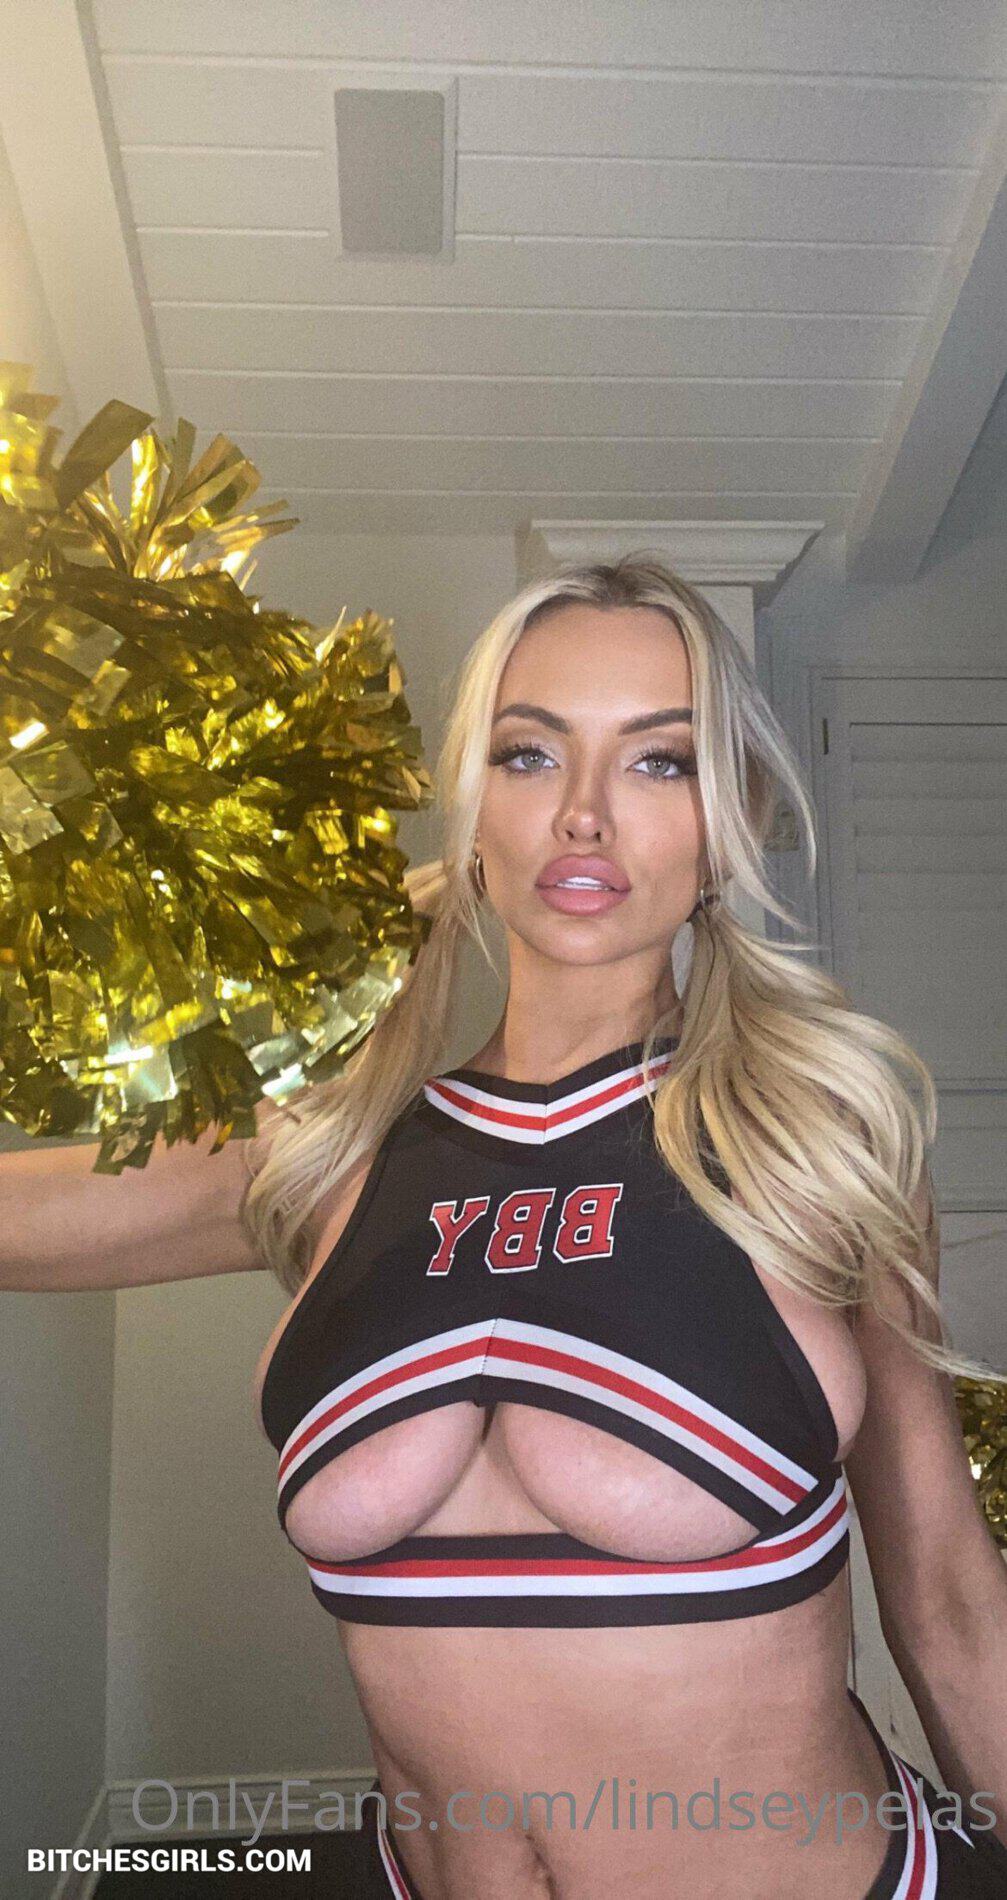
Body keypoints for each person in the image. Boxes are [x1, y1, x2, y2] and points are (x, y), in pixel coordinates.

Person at [4, 556, 1006, 1899]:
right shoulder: (335, 1160)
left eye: (658, 762)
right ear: (474, 807)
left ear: (730, 820)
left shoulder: (815, 1148)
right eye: (530, 754)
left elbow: (947, 1602)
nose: (583, 815)